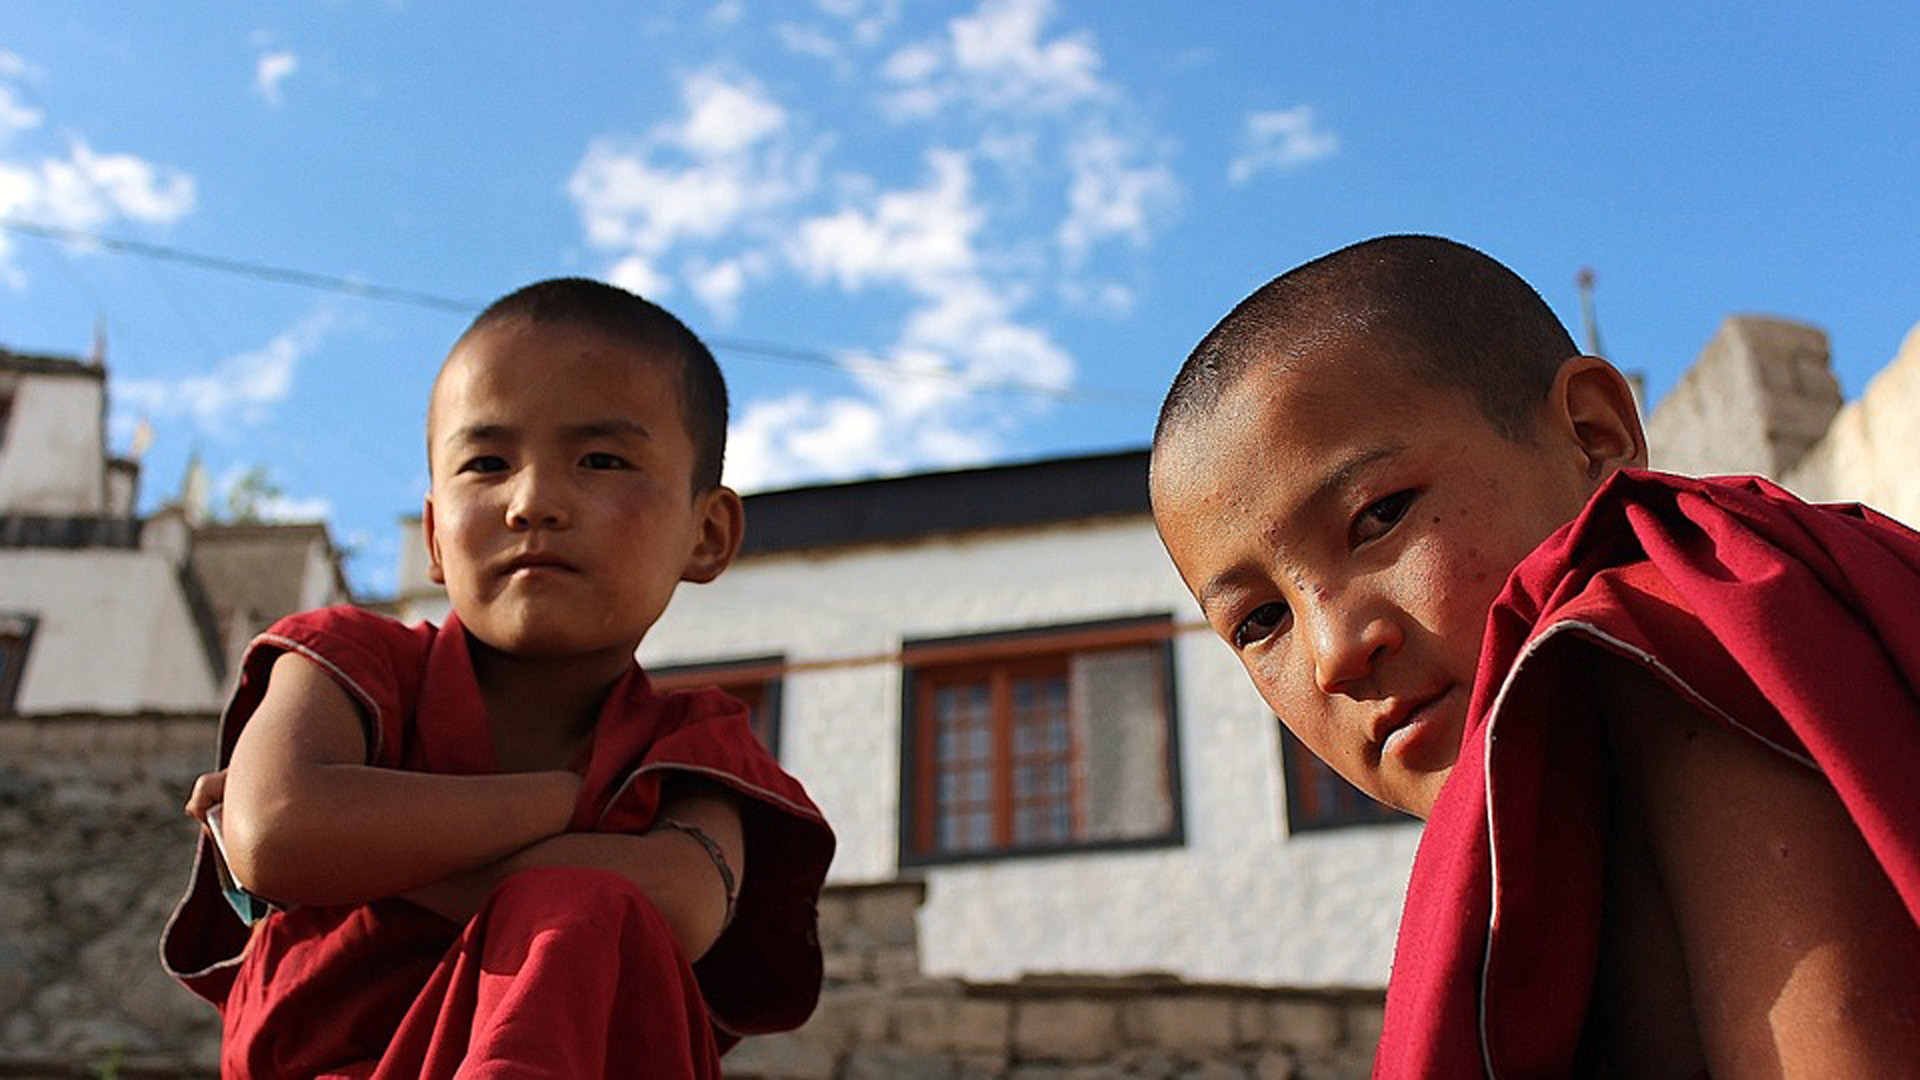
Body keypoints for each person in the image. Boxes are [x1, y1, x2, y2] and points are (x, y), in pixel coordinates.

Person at [1149, 235, 1920, 1076]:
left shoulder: (1664, 643)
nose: (1336, 652)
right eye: (1261, 621)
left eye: (1380, 516)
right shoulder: (1559, 820)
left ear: (1592, 436)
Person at [161, 278, 835, 1078]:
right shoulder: (347, 662)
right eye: (485, 463)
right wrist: (568, 802)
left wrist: (362, 848)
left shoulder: (692, 742)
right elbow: (278, 834)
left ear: (708, 532)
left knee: (586, 911)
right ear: (437, 537)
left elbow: (673, 905)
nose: (533, 502)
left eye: (601, 460)